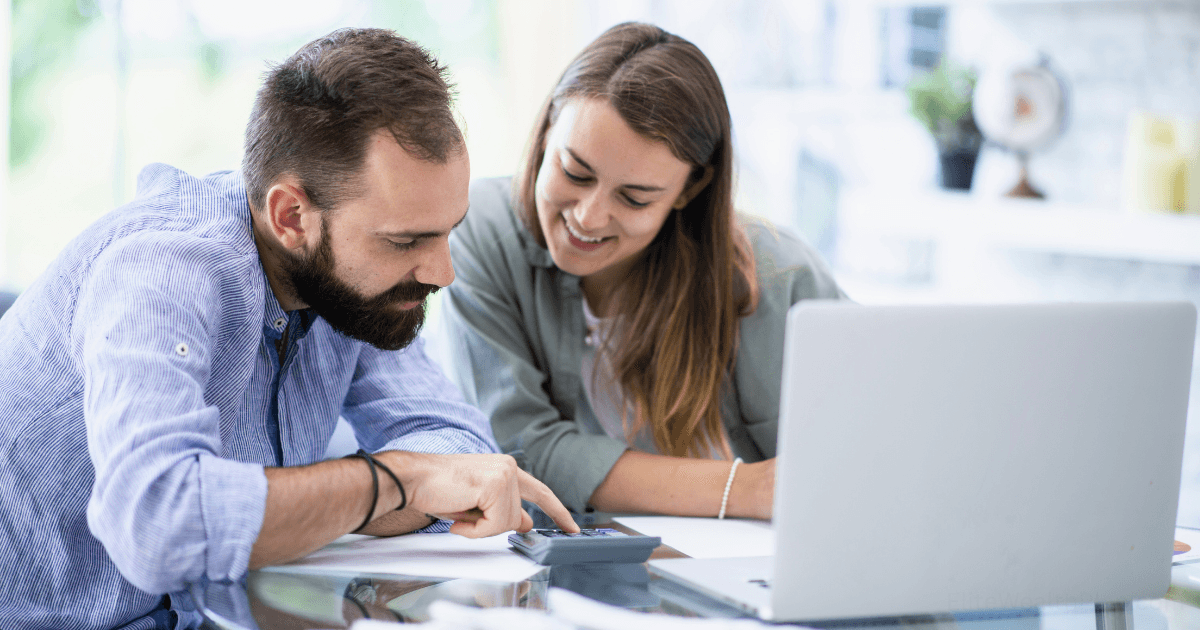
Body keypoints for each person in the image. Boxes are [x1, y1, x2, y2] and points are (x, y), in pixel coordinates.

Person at [0, 28, 576, 630]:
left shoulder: (355, 288)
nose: (443, 271)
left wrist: (369, 494)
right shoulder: (160, 271)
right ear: (290, 216)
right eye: (406, 240)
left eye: (447, 229)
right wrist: (393, 482)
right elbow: (160, 528)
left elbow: (457, 449)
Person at [442, 22, 846, 523]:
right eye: (574, 171)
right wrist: (749, 490)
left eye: (634, 198)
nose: (588, 217)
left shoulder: (780, 276)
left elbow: (862, 459)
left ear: (688, 190)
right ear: (547, 131)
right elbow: (517, 455)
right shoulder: (479, 229)